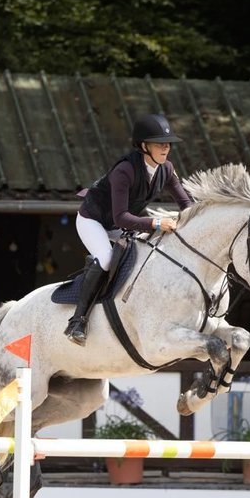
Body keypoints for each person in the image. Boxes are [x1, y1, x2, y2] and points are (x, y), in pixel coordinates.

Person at [65, 112, 194, 345]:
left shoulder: (166, 169)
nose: (166, 148)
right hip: (93, 220)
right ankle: (78, 321)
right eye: (159, 144)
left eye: (168, 144)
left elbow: (186, 204)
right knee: (105, 258)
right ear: (144, 146)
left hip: (121, 223)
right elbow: (122, 217)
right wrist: (156, 222)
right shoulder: (124, 170)